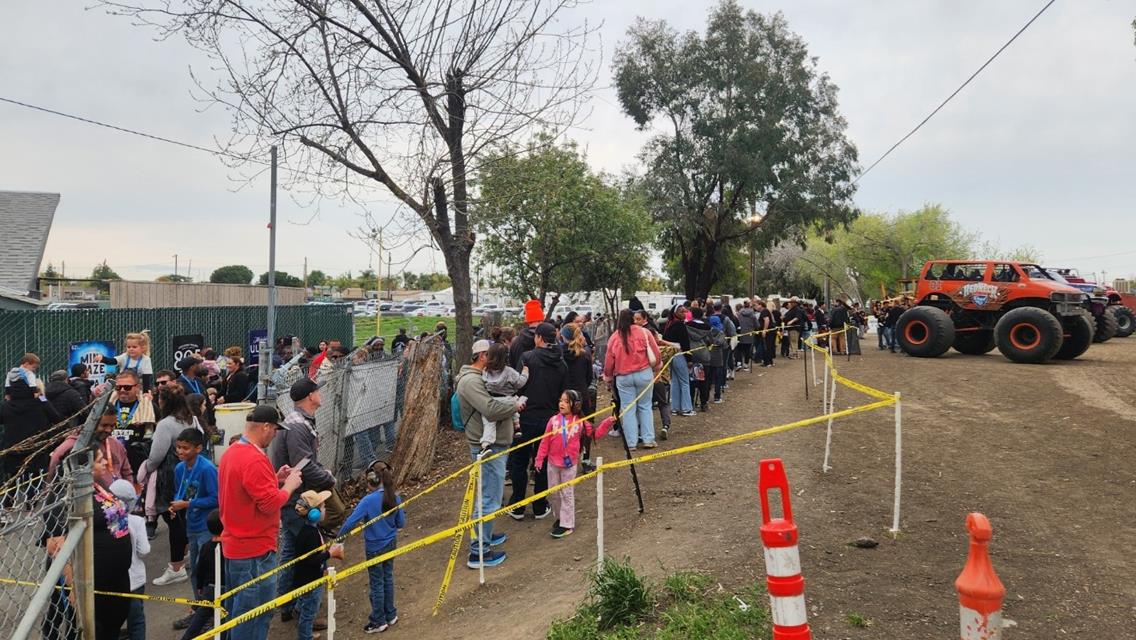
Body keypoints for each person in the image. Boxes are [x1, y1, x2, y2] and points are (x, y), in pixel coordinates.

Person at [219, 404, 303, 640]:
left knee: (240, 612)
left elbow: (246, 492)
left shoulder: (233, 452)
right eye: (275, 430)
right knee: (254, 617)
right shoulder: (254, 459)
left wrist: (274, 480)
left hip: (237, 545)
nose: (276, 435)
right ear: (266, 427)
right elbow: (268, 504)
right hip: (254, 550)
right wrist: (289, 485)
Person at [270, 377, 338, 625]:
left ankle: (286, 603)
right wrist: (328, 480)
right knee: (311, 554)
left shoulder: (298, 421)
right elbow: (304, 466)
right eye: (318, 390)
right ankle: (304, 610)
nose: (320, 393)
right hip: (299, 501)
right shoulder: (298, 426)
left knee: (290, 552)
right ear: (311, 395)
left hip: (295, 498)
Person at [454, 339, 524, 568]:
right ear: (482, 356)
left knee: (489, 495)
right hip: (486, 447)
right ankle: (479, 552)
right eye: (492, 355)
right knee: (488, 498)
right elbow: (491, 409)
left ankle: (485, 535)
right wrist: (515, 405)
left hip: (494, 444)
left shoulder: (481, 378)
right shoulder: (472, 382)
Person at [334, 460, 404, 633]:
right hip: (391, 543)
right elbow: (401, 523)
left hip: (374, 548)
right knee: (388, 577)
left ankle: (378, 621)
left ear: (371, 481)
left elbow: (350, 522)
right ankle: (391, 614)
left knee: (377, 583)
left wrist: (339, 540)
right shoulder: (394, 496)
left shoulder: (368, 501)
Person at [507, 322, 567, 520]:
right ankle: (540, 505)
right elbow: (562, 391)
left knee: (519, 461)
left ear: (539, 337)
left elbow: (517, 385)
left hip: (525, 416)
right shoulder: (561, 362)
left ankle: (517, 505)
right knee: (542, 461)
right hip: (549, 417)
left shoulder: (527, 358)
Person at [534, 391, 613, 538]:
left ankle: (567, 524)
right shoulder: (553, 421)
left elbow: (595, 434)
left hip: (569, 466)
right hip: (553, 464)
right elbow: (545, 441)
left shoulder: (581, 422)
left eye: (566, 401)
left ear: (575, 405)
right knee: (554, 493)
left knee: (567, 493)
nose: (561, 404)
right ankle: (559, 518)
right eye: (560, 400)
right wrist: (539, 459)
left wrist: (608, 422)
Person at [148, 385, 194, 590]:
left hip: (170, 475)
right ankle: (187, 555)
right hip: (190, 472)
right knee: (184, 516)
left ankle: (176, 568)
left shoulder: (166, 424)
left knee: (173, 518)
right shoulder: (190, 419)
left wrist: (146, 468)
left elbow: (156, 455)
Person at [170, 427, 219, 599]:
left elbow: (216, 499)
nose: (180, 451)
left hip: (206, 526)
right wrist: (175, 505)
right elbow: (180, 491)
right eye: (178, 447)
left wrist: (187, 504)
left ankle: (208, 609)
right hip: (191, 524)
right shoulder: (179, 468)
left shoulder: (207, 469)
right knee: (195, 570)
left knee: (205, 569)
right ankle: (198, 607)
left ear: (198, 448)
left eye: (185, 448)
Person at [604, 309, 663, 447]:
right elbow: (656, 353)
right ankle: (648, 439)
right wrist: (656, 368)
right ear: (633, 319)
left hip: (623, 378)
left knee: (628, 409)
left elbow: (608, 361)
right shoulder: (644, 332)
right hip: (644, 374)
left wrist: (608, 377)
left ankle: (631, 442)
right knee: (645, 406)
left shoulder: (614, 337)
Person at [91, 471, 134, 640]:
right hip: (98, 578)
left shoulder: (101, 487)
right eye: (99, 460)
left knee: (115, 621)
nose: (104, 464)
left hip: (119, 574)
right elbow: (55, 544)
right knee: (99, 627)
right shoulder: (70, 495)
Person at [48, 406, 134, 486]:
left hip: (117, 500)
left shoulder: (116, 444)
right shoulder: (71, 446)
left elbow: (127, 473)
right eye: (104, 425)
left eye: (112, 426)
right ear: (91, 423)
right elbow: (52, 478)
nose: (108, 430)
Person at [292, 490, 336, 640]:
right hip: (311, 580)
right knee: (310, 610)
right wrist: (329, 554)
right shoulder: (310, 535)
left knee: (305, 603)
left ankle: (297, 611)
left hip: (306, 577)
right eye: (322, 507)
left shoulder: (309, 530)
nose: (325, 510)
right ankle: (305, 636)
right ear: (314, 514)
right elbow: (311, 560)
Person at [110, 479, 150, 640]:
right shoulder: (137, 521)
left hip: (113, 581)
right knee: (137, 620)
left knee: (112, 622)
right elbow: (144, 551)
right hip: (135, 580)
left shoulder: (106, 523)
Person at [181, 510, 224, 640]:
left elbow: (200, 569)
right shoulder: (228, 546)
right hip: (226, 588)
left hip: (209, 588)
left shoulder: (206, 547)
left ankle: (188, 637)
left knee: (201, 616)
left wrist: (200, 586)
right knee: (226, 617)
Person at [481, 343, 527, 448]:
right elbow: (519, 383)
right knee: (516, 403)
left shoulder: (485, 371)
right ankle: (517, 427)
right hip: (509, 400)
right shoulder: (509, 371)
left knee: (489, 422)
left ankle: (486, 443)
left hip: (493, 400)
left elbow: (483, 382)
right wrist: (525, 373)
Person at [639, 310, 675, 441]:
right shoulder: (664, 350)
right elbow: (677, 348)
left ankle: (642, 430)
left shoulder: (643, 350)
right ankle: (665, 425)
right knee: (663, 404)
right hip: (661, 380)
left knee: (644, 406)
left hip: (645, 380)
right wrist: (662, 341)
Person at [661, 306, 694, 417]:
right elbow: (685, 343)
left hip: (671, 355)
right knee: (684, 382)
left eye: (685, 311)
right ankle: (686, 408)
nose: (684, 313)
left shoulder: (669, 324)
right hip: (679, 354)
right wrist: (689, 358)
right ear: (675, 313)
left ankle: (675, 408)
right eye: (681, 311)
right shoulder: (680, 325)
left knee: (675, 381)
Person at [684, 308, 713, 412]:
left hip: (691, 354)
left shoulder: (687, 326)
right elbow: (711, 340)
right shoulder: (707, 327)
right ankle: (704, 403)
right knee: (704, 381)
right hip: (703, 355)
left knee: (691, 380)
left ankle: (690, 402)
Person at [509, 299, 544, 371]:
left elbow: (512, 366)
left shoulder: (516, 342)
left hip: (521, 380)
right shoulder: (549, 339)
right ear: (541, 319)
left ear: (527, 320)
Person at [706, 314, 727, 404]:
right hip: (718, 358)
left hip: (709, 358)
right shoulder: (721, 333)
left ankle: (706, 397)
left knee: (708, 379)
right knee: (718, 379)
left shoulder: (707, 332)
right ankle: (717, 397)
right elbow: (723, 344)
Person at [736, 300, 757, 371]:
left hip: (740, 333)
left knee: (739, 349)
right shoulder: (753, 314)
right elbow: (757, 324)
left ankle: (739, 363)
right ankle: (746, 364)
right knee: (747, 350)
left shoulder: (739, 314)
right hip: (749, 334)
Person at [757, 300, 775, 367]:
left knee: (767, 346)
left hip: (768, 332)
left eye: (757, 305)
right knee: (769, 346)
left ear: (761, 305)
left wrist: (764, 330)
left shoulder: (764, 311)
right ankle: (769, 361)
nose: (756, 307)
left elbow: (767, 320)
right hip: (770, 331)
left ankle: (767, 362)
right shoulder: (766, 311)